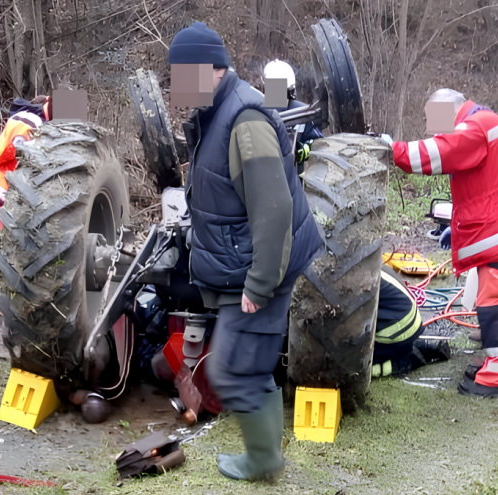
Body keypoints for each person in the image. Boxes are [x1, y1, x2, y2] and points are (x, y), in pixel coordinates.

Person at [167, 22, 323, 481]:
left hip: (262, 267)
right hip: (248, 264)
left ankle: (263, 461)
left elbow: (273, 210)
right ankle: (265, 459)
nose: (176, 85)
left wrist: (260, 282)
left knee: (236, 367)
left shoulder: (246, 120)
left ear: (209, 70)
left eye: (181, 74)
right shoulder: (217, 114)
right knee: (245, 366)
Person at [380, 88, 498, 398]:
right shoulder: (486, 123)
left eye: (433, 120)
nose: (432, 129)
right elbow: (489, 180)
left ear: (447, 110)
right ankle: (494, 364)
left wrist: (393, 151)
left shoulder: (475, 127)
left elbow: (440, 152)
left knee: (496, 306)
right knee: (497, 304)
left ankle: (495, 378)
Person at [0, 95, 52, 230]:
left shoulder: (28, 123)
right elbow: (9, 150)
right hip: (21, 192)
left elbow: (4, 150)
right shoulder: (33, 124)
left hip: (12, 190)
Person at [372, 267, 450, 378]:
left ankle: (405, 361)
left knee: (356, 367)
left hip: (398, 326)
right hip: (405, 316)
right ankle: (408, 348)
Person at [262, 59, 323, 164]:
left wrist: (303, 151)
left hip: (297, 175)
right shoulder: (259, 112)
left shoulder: (303, 114)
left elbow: (320, 146)